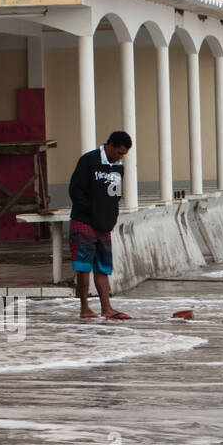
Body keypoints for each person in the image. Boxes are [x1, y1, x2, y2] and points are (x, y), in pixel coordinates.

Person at [68, 130, 133, 320]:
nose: (120, 157)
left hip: (104, 224)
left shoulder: (118, 167)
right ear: (110, 146)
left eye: (124, 155)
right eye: (119, 152)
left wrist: (110, 217)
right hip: (84, 221)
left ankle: (107, 308)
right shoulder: (89, 160)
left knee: (103, 266)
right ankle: (85, 308)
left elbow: (115, 195)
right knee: (83, 265)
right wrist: (90, 210)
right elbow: (75, 189)